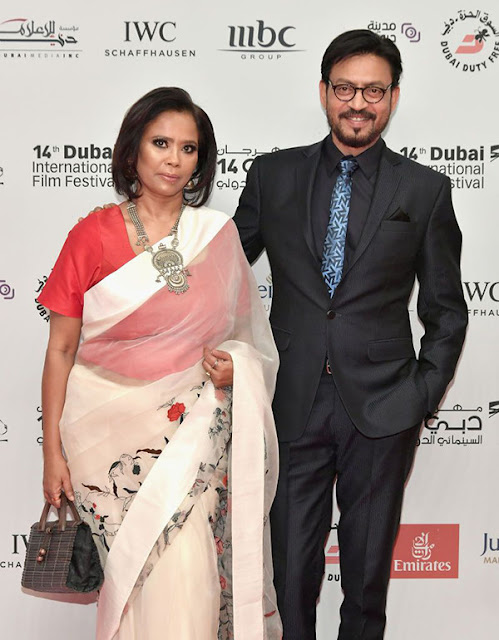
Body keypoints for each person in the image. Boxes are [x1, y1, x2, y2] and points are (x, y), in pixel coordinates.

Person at [233, 29, 468, 640]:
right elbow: (222, 270)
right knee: (289, 575)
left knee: (366, 582)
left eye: (373, 90)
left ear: (393, 97)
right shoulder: (273, 175)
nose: (357, 103)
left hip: (385, 407)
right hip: (293, 399)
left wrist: (421, 395)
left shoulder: (423, 189)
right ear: (323, 92)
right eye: (345, 88)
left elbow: (446, 309)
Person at [38, 87, 282, 640]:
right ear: (133, 152)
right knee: (133, 585)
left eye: (188, 149)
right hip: (106, 444)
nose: (174, 159)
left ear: (201, 162)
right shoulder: (91, 235)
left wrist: (235, 369)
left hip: (194, 435)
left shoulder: (216, 235)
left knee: (190, 575)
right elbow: (60, 349)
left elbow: (248, 341)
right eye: (161, 143)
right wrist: (52, 451)